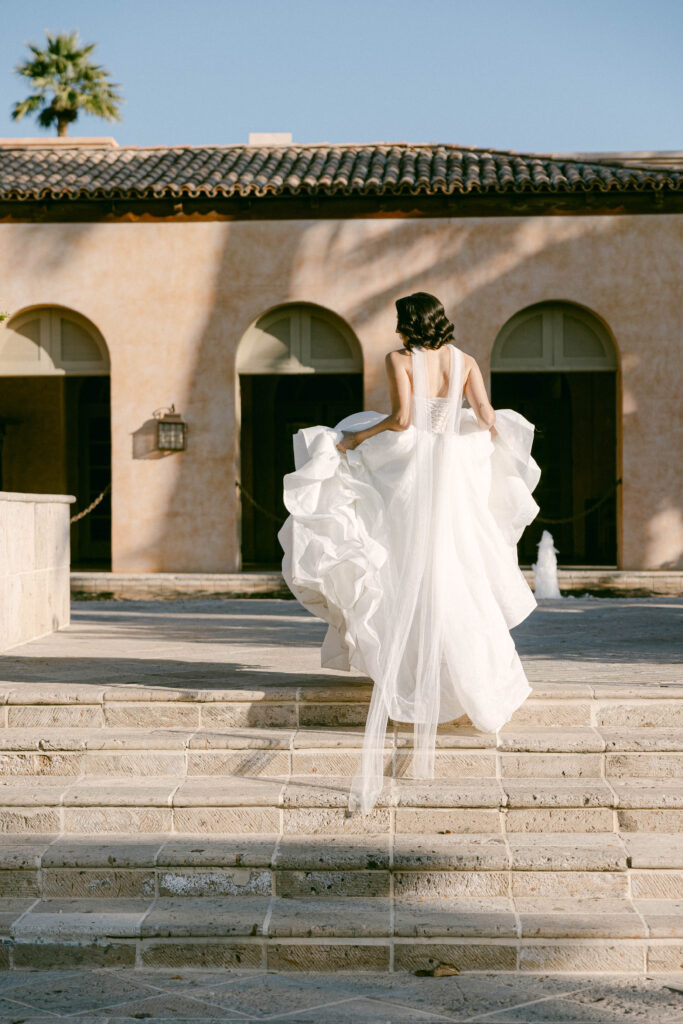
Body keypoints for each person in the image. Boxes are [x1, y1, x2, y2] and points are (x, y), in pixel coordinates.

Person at [277, 292, 541, 815]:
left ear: (405, 324)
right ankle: (474, 682)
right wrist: (494, 443)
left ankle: (414, 673)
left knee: (399, 563)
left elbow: (400, 420)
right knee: (456, 569)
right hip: (453, 475)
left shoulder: (398, 360)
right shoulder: (465, 361)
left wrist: (354, 440)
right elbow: (486, 414)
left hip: (413, 473)